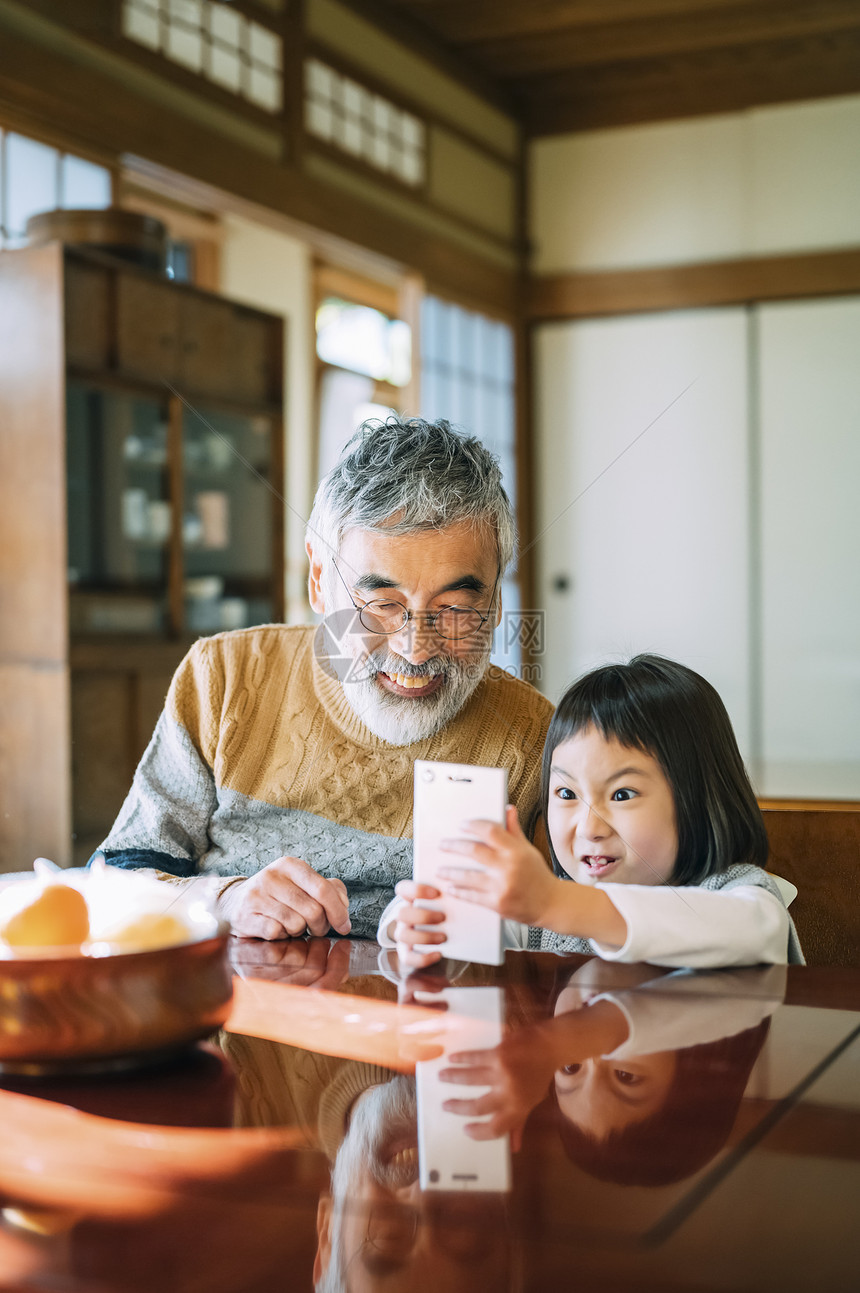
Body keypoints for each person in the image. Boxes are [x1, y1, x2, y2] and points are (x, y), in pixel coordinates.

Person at [95, 418, 553, 940]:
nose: (415, 648)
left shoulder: (537, 740)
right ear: (319, 579)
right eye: (381, 605)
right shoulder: (224, 678)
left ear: (495, 604)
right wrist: (224, 899)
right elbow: (114, 880)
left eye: (455, 607)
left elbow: (565, 945)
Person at [384, 654, 804, 968]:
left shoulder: (744, 899)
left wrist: (555, 902)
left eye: (621, 795)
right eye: (567, 794)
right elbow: (458, 927)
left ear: (700, 797)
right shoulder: (540, 917)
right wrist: (417, 922)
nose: (589, 826)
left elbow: (746, 931)